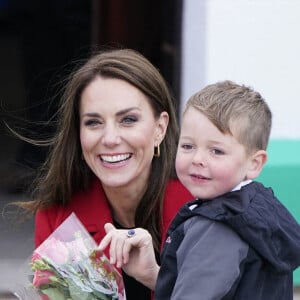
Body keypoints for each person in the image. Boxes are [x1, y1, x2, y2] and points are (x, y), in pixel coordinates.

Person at [16, 48, 192, 299]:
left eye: (128, 119)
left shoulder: (203, 209)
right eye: (94, 122)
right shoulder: (57, 215)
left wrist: (155, 277)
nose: (109, 139)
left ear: (159, 128)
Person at [99, 80, 300, 299]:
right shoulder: (256, 209)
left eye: (216, 151)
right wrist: (153, 275)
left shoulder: (218, 227)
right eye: (187, 146)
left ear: (254, 163)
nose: (197, 159)